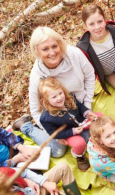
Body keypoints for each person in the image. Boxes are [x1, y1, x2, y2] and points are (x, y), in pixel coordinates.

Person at [17, 26, 96, 158]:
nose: (52, 52)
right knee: (57, 152)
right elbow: (36, 110)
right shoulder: (36, 76)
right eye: (45, 49)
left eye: (54, 46)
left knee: (93, 135)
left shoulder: (74, 54)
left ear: (60, 44)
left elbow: (89, 75)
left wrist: (87, 106)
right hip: (57, 121)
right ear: (37, 51)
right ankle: (25, 126)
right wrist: (54, 135)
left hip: (77, 107)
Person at [37, 77, 103, 171]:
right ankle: (79, 156)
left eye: (60, 93)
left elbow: (80, 106)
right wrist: (72, 131)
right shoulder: (46, 118)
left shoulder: (70, 97)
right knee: (79, 143)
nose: (59, 98)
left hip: (81, 123)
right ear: (46, 100)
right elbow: (55, 133)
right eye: (54, 97)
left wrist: (87, 113)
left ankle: (97, 139)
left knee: (99, 116)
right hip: (69, 133)